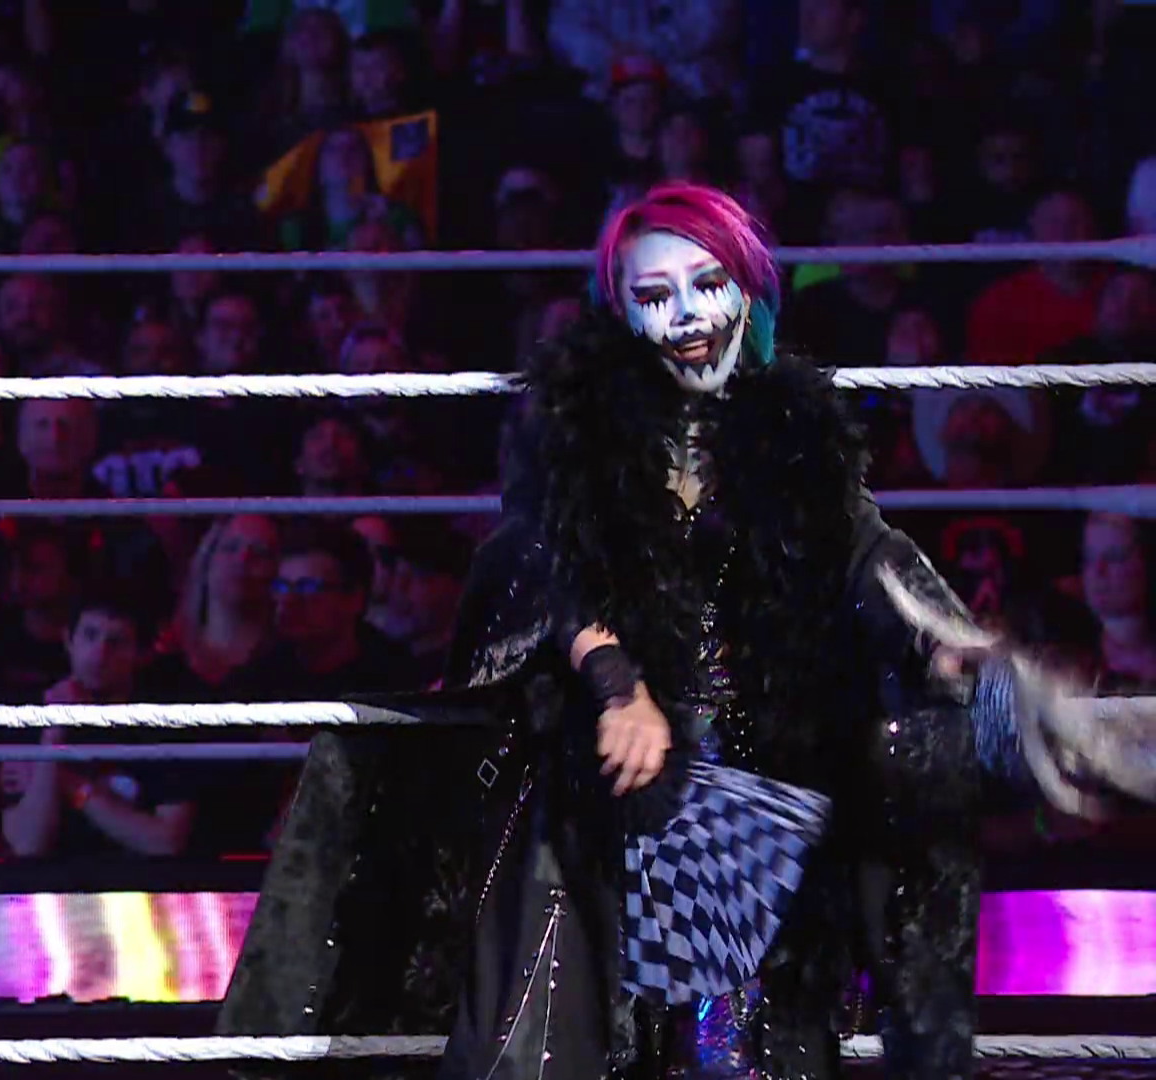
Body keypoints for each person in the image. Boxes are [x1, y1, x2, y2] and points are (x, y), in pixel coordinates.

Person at [217, 183, 1156, 1079]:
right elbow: (543, 563)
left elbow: (871, 564)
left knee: (750, 1028)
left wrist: (950, 652)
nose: (686, 316)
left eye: (707, 284)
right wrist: (614, 679)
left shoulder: (796, 445)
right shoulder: (575, 432)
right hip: (599, 794)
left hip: (752, 808)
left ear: (748, 292)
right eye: (655, 295)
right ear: (621, 313)